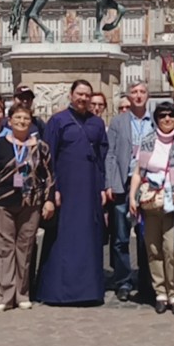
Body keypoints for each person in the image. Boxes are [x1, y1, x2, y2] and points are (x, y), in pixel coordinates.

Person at [0, 105, 56, 313]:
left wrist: (49, 200)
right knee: (3, 249)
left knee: (25, 248)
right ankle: (2, 295)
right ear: (9, 121)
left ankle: (22, 294)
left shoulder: (41, 147)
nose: (22, 121)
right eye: (17, 117)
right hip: (0, 202)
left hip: (31, 203)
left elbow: (49, 176)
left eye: (25, 118)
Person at [38, 80, 109, 305]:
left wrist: (103, 186)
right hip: (65, 189)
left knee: (88, 237)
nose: (84, 99)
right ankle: (57, 291)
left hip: (90, 189)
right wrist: (52, 191)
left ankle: (88, 291)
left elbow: (103, 157)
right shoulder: (57, 121)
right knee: (63, 238)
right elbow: (47, 158)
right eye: (80, 94)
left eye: (87, 95)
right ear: (71, 95)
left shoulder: (97, 123)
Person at [129, 102, 174, 316]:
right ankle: (160, 292)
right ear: (157, 119)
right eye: (162, 116)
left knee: (173, 249)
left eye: (171, 115)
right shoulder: (147, 142)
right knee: (153, 249)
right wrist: (133, 196)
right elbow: (139, 172)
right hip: (152, 202)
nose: (167, 119)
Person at [104, 80, 153, 302]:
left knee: (147, 235)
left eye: (142, 92)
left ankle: (147, 280)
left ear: (148, 96)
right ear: (128, 96)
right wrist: (111, 183)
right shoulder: (118, 122)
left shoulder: (156, 121)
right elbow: (111, 154)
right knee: (121, 237)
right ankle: (123, 280)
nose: (138, 95)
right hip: (123, 184)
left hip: (149, 183)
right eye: (134, 92)